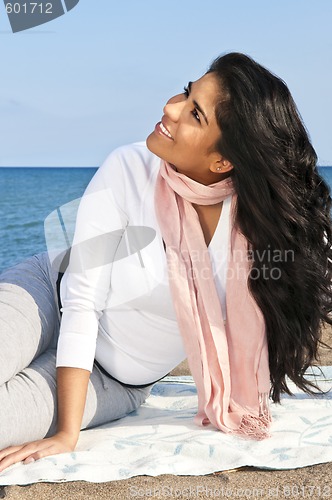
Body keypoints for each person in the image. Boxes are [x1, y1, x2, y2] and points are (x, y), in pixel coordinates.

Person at [0, 52, 331, 472]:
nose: (170, 108)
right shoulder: (130, 167)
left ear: (223, 161)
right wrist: (67, 434)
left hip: (115, 381)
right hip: (46, 294)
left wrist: (68, 431)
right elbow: (82, 299)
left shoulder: (265, 233)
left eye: (194, 113)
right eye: (186, 92)